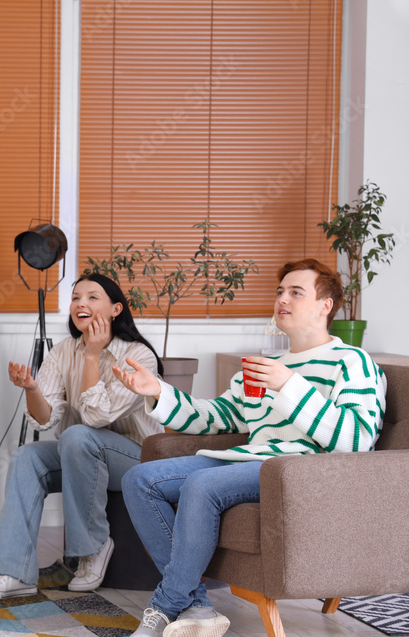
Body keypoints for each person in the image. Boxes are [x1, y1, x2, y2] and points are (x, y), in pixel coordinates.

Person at [115, 259, 387, 637]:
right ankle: (196, 605)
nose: (282, 300)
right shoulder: (263, 365)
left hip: (300, 471)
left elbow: (356, 440)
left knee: (203, 485)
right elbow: (215, 418)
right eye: (280, 292)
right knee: (140, 479)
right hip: (250, 462)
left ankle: (163, 606)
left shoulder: (351, 361)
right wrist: (158, 391)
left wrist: (290, 385)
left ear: (326, 305)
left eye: (296, 292)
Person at [0, 273, 165, 599]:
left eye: (92, 297)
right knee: (27, 456)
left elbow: (96, 418)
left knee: (77, 436)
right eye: (76, 297)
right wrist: (32, 389)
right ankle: (13, 571)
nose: (81, 304)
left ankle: (93, 547)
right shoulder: (63, 352)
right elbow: (44, 420)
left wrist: (92, 355)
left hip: (136, 459)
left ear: (116, 309)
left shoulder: (138, 357)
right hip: (81, 454)